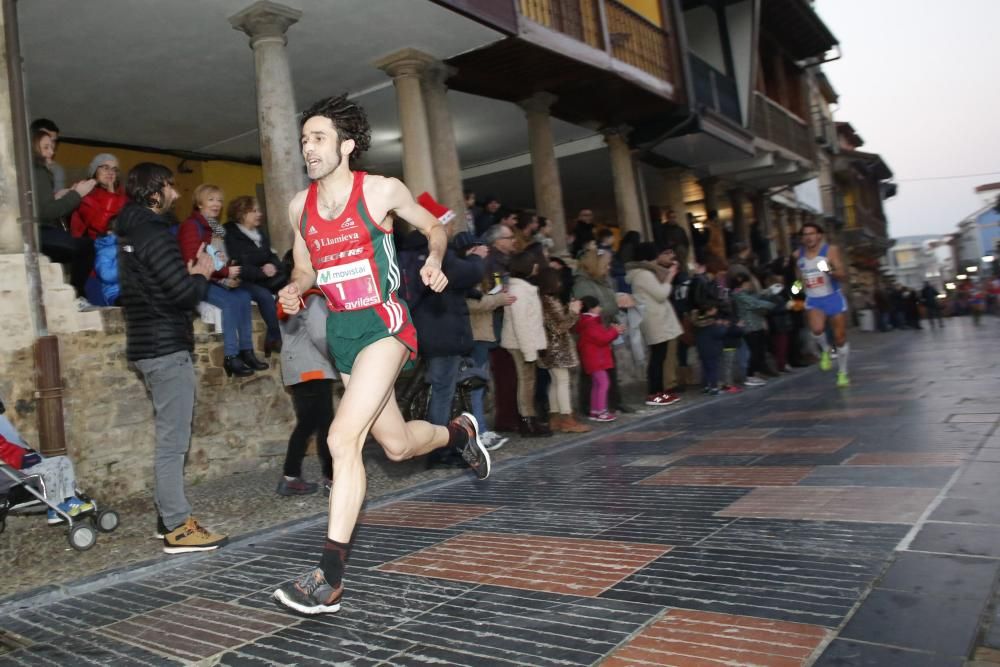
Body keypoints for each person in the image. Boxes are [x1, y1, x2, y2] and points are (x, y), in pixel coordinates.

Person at [272, 94, 490, 615]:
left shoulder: (380, 191)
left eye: (318, 137)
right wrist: (295, 288)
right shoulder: (298, 207)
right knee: (394, 447)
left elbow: (435, 225)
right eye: (305, 139)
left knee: (342, 438)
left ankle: (328, 577)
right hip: (342, 332)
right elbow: (307, 267)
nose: (309, 147)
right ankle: (460, 431)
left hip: (385, 324)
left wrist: (436, 259)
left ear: (346, 145)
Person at [116, 162, 228, 553]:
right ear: (153, 192)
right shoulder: (154, 233)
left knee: (170, 436)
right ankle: (179, 527)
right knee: (173, 441)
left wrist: (187, 275)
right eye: (170, 187)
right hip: (164, 347)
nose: (176, 194)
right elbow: (182, 294)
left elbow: (158, 288)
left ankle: (167, 519)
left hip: (148, 344)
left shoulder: (131, 232)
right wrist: (200, 272)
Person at [178, 185, 268, 377]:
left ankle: (247, 351)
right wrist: (226, 272)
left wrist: (228, 274)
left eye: (219, 200)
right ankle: (230, 356)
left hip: (216, 279)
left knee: (243, 296)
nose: (216, 204)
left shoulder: (215, 228)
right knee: (230, 302)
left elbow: (218, 256)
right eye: (211, 199)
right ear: (199, 202)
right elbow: (193, 260)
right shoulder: (191, 226)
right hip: (198, 280)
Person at [276, 263, 335, 497]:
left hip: (296, 368)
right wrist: (340, 361)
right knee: (325, 427)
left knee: (307, 424)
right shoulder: (312, 298)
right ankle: (332, 479)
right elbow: (321, 336)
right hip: (314, 369)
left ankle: (291, 476)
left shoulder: (290, 298)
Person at [31, 127, 96, 307]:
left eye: (52, 147)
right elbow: (46, 212)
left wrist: (61, 196)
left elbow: (38, 204)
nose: (51, 152)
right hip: (38, 233)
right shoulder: (38, 170)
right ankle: (77, 297)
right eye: (46, 147)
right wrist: (78, 195)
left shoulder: (32, 171)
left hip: (36, 232)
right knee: (85, 246)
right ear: (33, 147)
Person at [224, 195, 287, 356]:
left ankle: (273, 336)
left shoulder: (259, 233)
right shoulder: (230, 233)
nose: (259, 214)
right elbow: (236, 263)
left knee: (289, 285)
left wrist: (272, 265)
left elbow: (271, 254)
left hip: (264, 277)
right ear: (241, 213)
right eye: (254, 211)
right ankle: (276, 335)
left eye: (258, 210)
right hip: (243, 280)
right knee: (264, 296)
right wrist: (261, 271)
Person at [500, 251, 551, 437]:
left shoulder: (522, 287)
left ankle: (530, 419)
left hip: (524, 341)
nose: (536, 267)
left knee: (529, 381)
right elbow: (520, 322)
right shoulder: (519, 290)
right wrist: (529, 351)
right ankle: (527, 421)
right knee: (526, 382)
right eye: (533, 264)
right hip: (521, 342)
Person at [626, 242, 682, 406]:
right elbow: (661, 294)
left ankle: (660, 392)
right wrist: (670, 276)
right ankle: (654, 394)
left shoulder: (643, 273)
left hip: (656, 318)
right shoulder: (643, 274)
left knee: (660, 356)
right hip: (654, 319)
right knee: (657, 358)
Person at [795, 222, 851, 387]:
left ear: (819, 235)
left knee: (840, 338)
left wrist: (829, 271)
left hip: (832, 297)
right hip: (814, 299)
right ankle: (826, 350)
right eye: (805, 235)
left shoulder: (830, 250)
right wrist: (793, 291)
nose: (809, 237)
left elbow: (843, 276)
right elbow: (798, 280)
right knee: (817, 330)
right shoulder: (798, 255)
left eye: (812, 233)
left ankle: (843, 373)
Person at [536, 269, 588, 433]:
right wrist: (573, 312)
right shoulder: (548, 301)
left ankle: (555, 417)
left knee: (556, 382)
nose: (560, 283)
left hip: (550, 347)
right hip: (556, 348)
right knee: (563, 381)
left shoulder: (545, 300)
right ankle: (567, 418)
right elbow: (558, 327)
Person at [575, 295, 625, 422]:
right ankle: (602, 411)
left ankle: (595, 410)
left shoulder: (588, 322)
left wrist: (613, 331)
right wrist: (615, 331)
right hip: (596, 358)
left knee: (597, 385)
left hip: (594, 358)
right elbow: (602, 339)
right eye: (598, 306)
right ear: (591, 309)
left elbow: (601, 337)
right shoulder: (590, 323)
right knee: (603, 384)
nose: (600, 308)